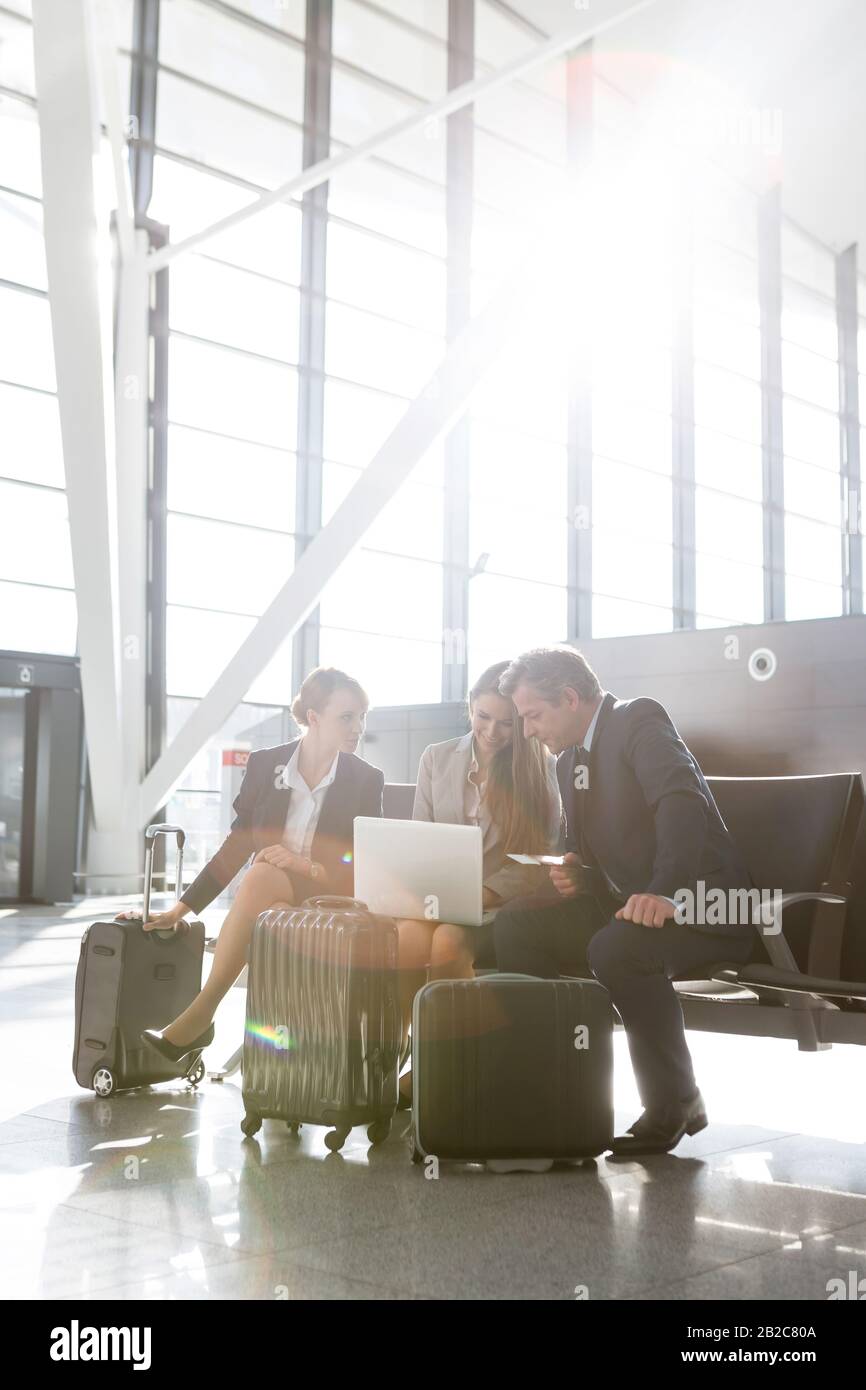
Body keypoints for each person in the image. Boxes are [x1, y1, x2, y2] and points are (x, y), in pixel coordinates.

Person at [493, 645, 755, 1155]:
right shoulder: (569, 760)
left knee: (617, 949)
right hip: (632, 907)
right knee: (517, 926)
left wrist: (664, 892)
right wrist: (579, 873)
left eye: (532, 716)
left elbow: (681, 803)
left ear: (569, 697)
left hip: (704, 906)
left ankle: (675, 1100)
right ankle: (556, 1090)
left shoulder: (638, 719)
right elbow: (596, 854)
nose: (526, 731)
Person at [137, 667, 383, 1063]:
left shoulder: (365, 779)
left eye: (362, 717)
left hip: (329, 892)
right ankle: (286, 1063)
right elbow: (239, 844)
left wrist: (307, 866)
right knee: (268, 886)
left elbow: (360, 860)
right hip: (270, 893)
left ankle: (201, 1016)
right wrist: (182, 909)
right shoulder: (266, 765)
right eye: (347, 717)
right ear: (315, 718)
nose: (358, 727)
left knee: (264, 876)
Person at [396, 660, 562, 1106]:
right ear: (469, 708)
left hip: (495, 906)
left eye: (506, 723)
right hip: (437, 896)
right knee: (408, 937)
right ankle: (397, 1054)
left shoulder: (539, 768)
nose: (493, 731)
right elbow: (420, 837)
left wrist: (483, 892)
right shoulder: (436, 757)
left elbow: (534, 863)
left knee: (448, 942)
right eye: (483, 717)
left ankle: (441, 1065)